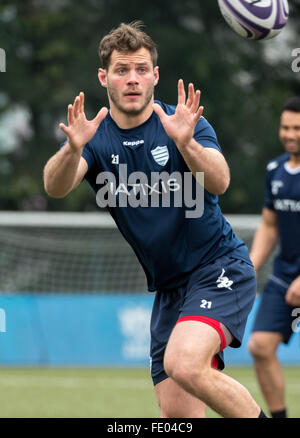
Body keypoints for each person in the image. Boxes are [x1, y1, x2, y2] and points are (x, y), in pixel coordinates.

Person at [43, 21, 266, 418]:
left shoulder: (182, 123)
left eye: (142, 70)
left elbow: (221, 180)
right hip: (168, 290)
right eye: (122, 70)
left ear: (155, 76)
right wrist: (71, 149)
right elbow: (56, 186)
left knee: (183, 362)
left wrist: (186, 142)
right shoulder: (93, 136)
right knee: (177, 417)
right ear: (103, 77)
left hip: (218, 266)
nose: (133, 79)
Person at [248, 97, 300, 419]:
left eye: (297, 128)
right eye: (285, 127)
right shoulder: (275, 170)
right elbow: (269, 225)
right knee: (260, 346)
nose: (290, 133)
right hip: (285, 275)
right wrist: (250, 265)